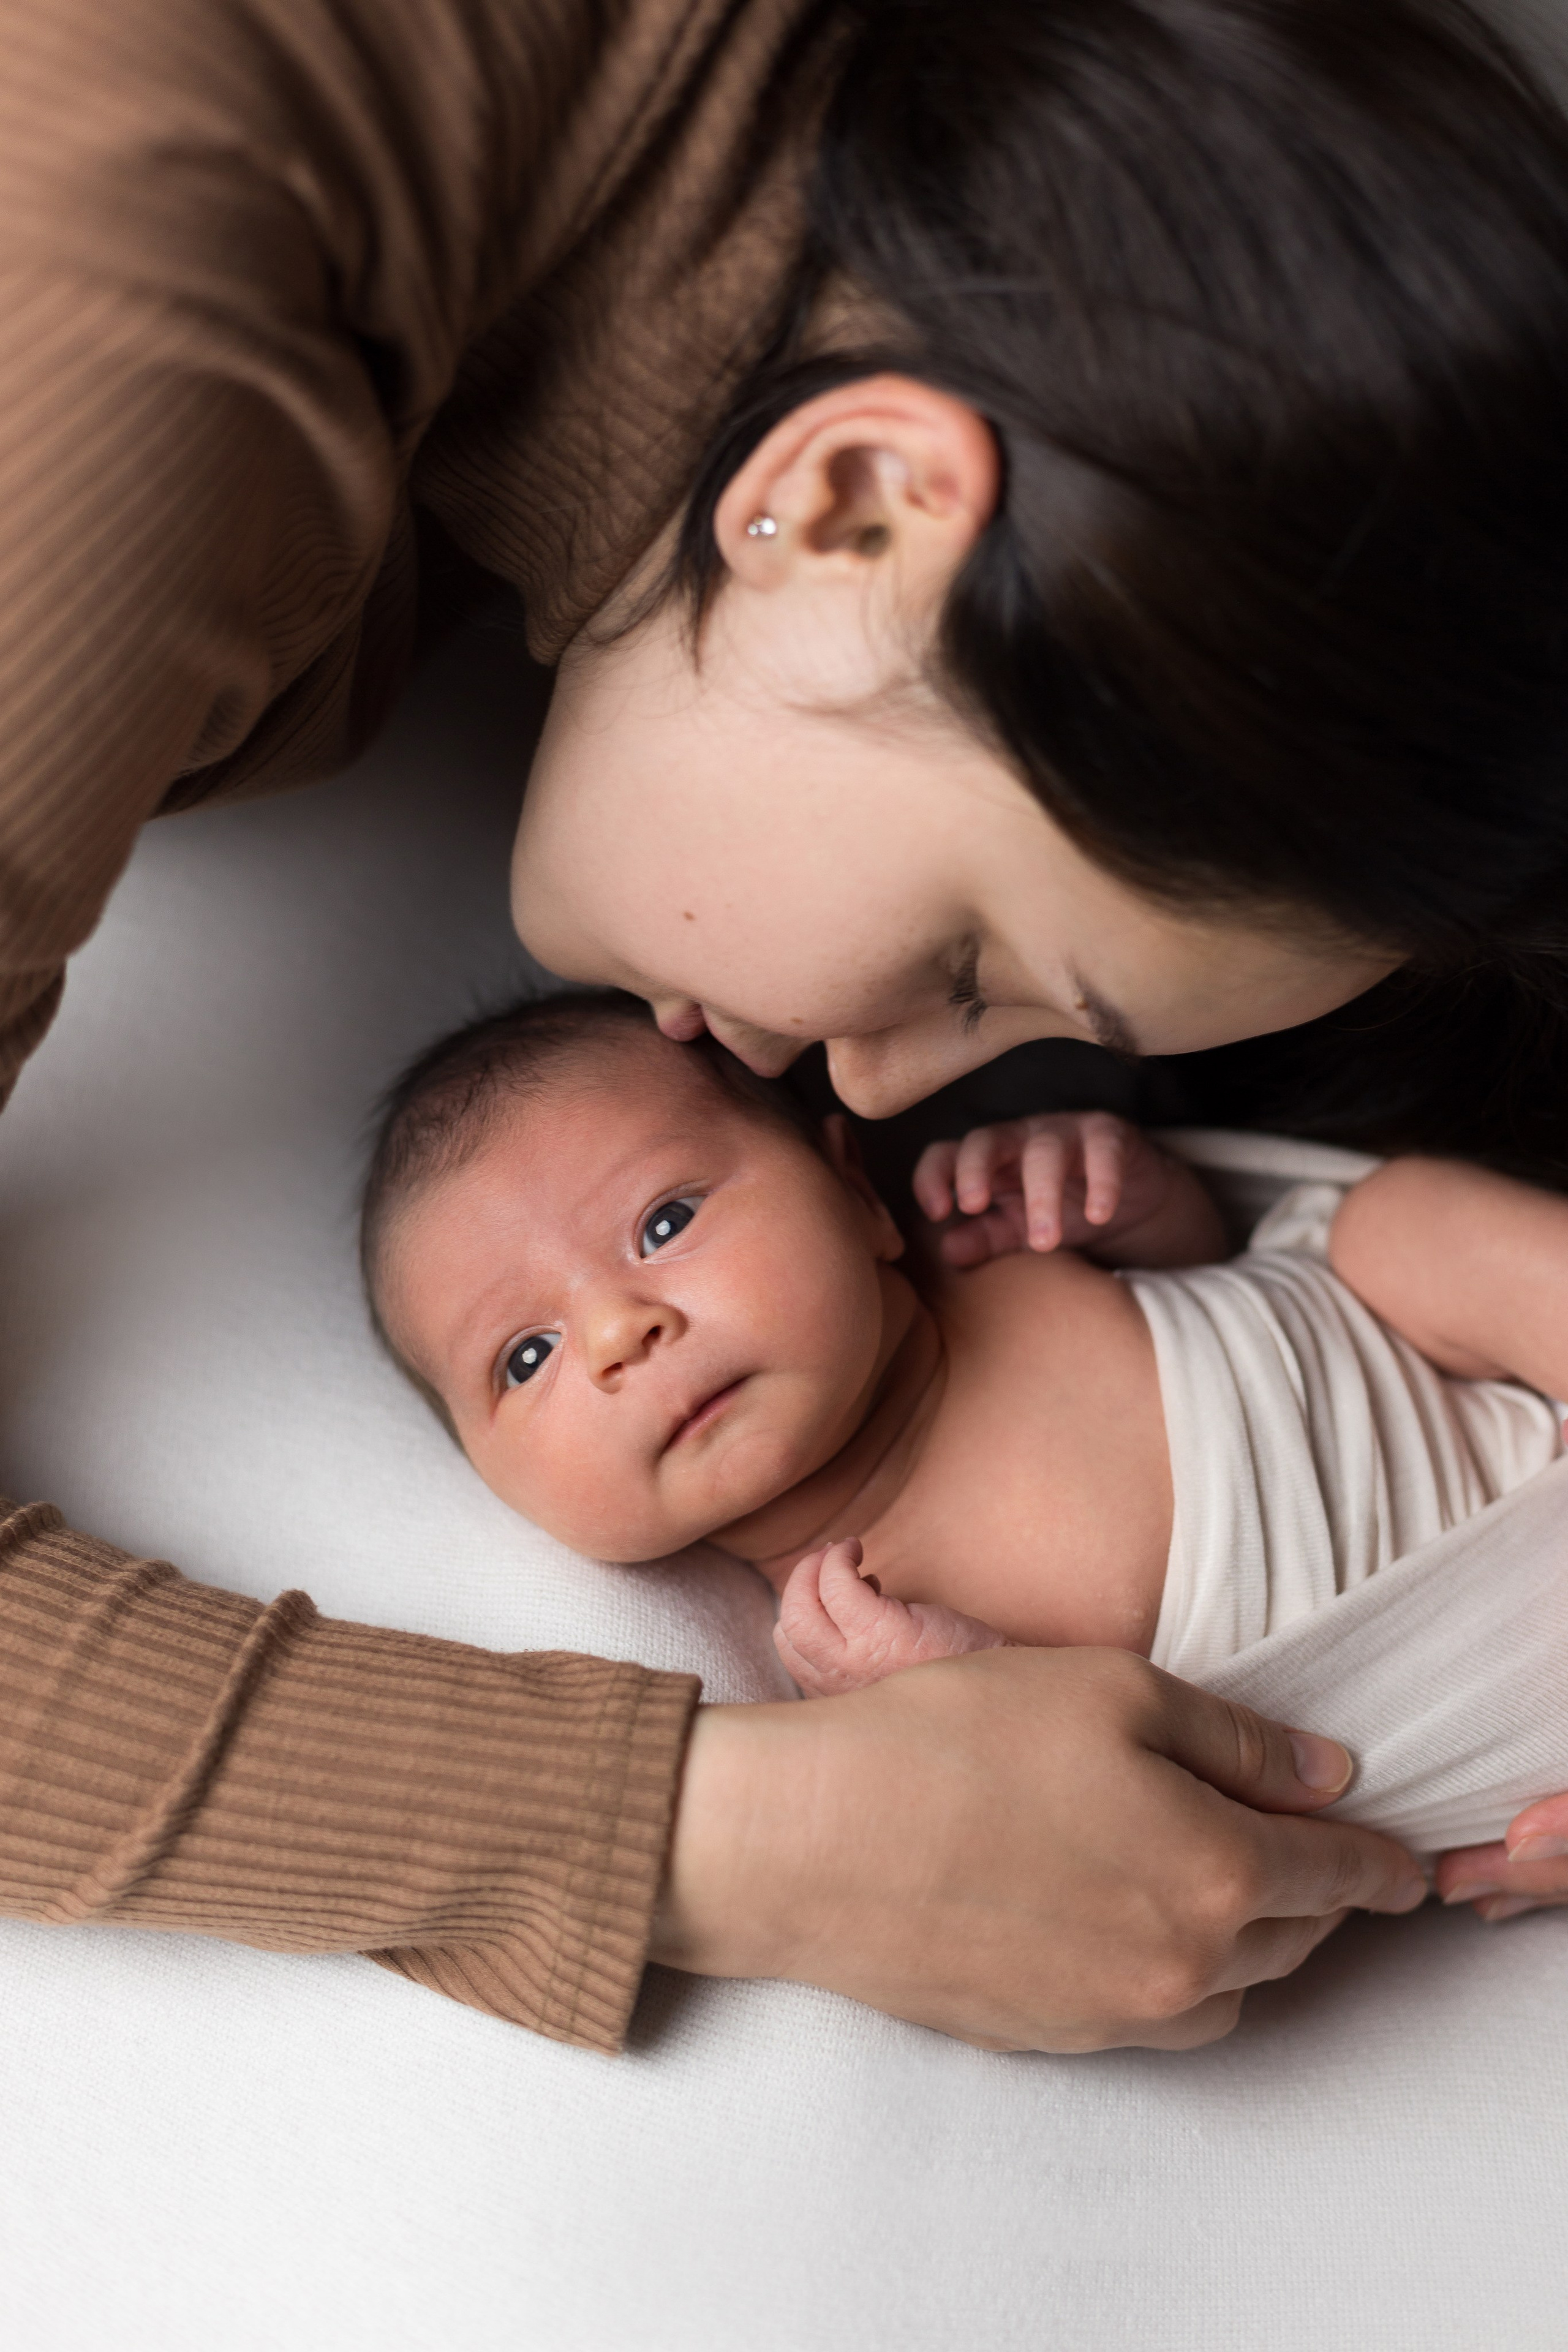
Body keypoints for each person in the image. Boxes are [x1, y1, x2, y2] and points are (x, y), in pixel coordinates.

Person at [2, 0, 1565, 2064]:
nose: (882, 1100)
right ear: (843, 511)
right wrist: (744, 1836)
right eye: (968, 968)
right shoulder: (111, 280)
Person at [356, 989, 1568, 1866]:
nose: (620, 1331)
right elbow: (1076, 1808)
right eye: (526, 1357)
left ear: (852, 1190)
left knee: (1397, 1220)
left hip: (1453, 1365)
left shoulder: (982, 1244)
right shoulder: (842, 1658)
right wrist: (962, 1690)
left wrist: (1137, 1199)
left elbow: (1221, 1285)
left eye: (664, 1224)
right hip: (1460, 1654)